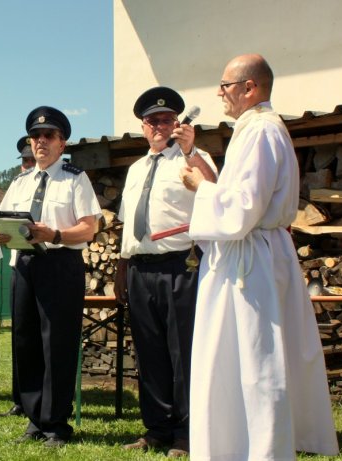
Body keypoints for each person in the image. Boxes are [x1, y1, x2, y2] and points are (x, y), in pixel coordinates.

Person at [180, 54, 339, 459]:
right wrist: (207, 178)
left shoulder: (260, 132)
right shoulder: (253, 130)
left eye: (225, 86)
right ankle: (235, 443)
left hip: (250, 262)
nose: (220, 94)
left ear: (250, 87)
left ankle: (261, 449)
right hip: (252, 254)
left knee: (256, 360)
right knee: (235, 358)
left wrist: (202, 188)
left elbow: (242, 209)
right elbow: (241, 199)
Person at [115, 87, 217, 457]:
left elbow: (217, 193)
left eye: (166, 119)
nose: (159, 126)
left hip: (181, 267)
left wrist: (190, 151)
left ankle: (187, 433)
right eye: (152, 120)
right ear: (143, 127)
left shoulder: (194, 158)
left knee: (183, 354)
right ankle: (156, 429)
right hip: (141, 269)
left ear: (178, 123)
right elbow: (128, 225)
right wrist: (121, 269)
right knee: (150, 354)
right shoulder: (135, 169)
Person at [0, 107, 101, 447]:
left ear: (61, 142)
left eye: (48, 135)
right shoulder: (20, 181)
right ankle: (34, 419)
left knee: (57, 343)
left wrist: (53, 233)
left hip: (59, 264)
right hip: (24, 265)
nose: (40, 141)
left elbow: (89, 226)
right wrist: (2, 234)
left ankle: (56, 424)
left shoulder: (74, 178)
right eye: (35, 136)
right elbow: (7, 218)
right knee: (25, 342)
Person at [0, 135, 36, 418]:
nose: (27, 165)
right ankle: (20, 399)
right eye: (24, 161)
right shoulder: (18, 184)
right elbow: (2, 216)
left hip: (48, 262)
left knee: (40, 338)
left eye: (30, 160)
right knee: (20, 336)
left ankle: (41, 401)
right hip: (18, 262)